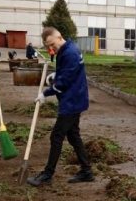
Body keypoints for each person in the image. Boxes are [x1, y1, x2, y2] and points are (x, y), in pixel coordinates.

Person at [26, 27, 94, 186]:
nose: (51, 48)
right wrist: (56, 75)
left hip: (72, 101)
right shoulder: (67, 49)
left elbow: (64, 83)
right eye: (48, 46)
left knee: (56, 136)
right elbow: (67, 73)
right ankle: (87, 171)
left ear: (59, 37)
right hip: (74, 98)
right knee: (73, 135)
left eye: (52, 44)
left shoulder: (69, 53)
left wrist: (46, 94)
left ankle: (47, 175)